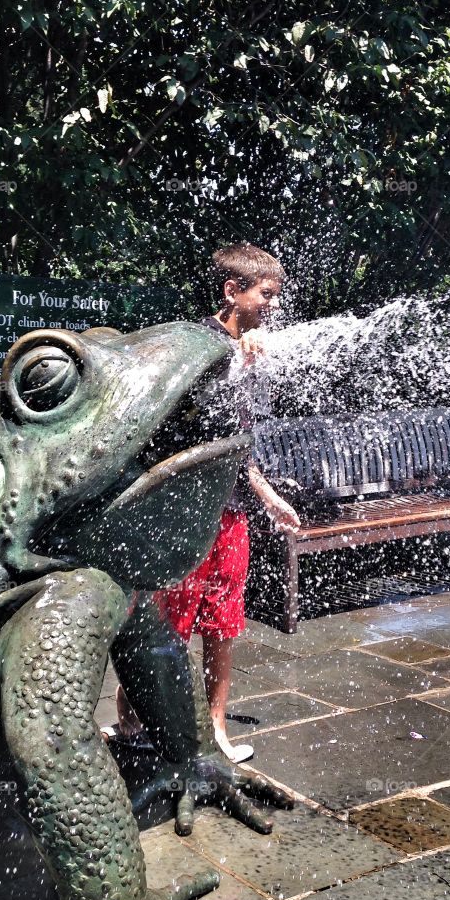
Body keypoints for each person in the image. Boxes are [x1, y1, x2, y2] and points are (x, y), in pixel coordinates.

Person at [116, 243, 300, 763]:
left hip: (230, 511)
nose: (273, 305)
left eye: (276, 295)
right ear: (232, 291)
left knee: (223, 620)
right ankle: (134, 717)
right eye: (266, 294)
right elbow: (175, 424)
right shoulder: (197, 345)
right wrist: (230, 360)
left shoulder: (250, 353)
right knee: (167, 620)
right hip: (183, 514)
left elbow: (236, 442)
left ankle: (215, 726)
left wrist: (267, 496)